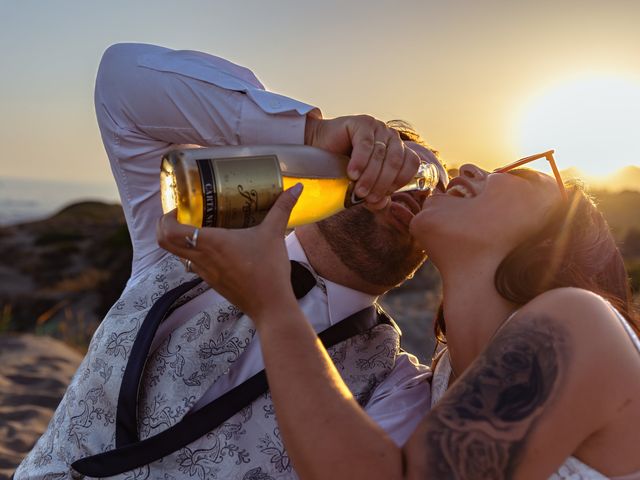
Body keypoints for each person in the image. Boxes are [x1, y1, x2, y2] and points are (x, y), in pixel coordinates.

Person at [14, 43, 448, 479]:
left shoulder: (397, 386)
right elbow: (121, 81)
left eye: (434, 195)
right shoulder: (186, 237)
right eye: (393, 164)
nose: (413, 191)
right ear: (339, 164)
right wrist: (308, 133)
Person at [157, 154, 640, 478]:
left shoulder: (580, 320)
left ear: (558, 240)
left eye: (524, 173)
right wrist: (321, 135)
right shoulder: (437, 380)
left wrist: (272, 305)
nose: (469, 167)